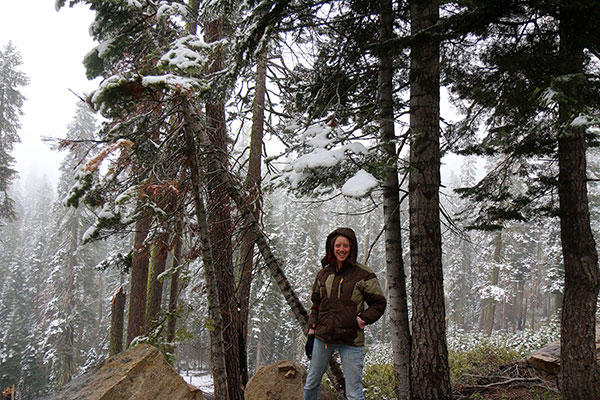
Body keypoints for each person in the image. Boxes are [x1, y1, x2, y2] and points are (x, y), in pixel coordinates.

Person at [304, 227, 387, 400]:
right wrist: (312, 331)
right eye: (338, 246)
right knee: (311, 384)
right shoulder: (323, 273)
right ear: (332, 248)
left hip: (351, 340)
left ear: (352, 248)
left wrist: (362, 319)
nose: (342, 249)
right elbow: (316, 305)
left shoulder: (363, 274)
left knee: (354, 393)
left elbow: (379, 303)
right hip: (323, 338)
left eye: (346, 246)